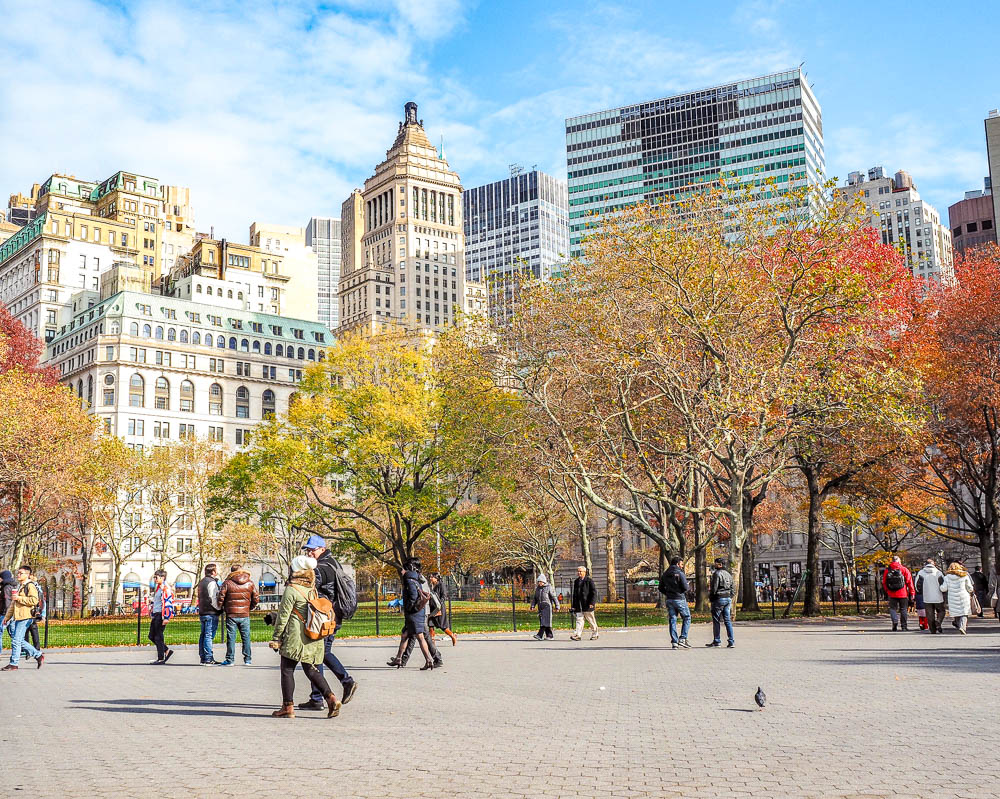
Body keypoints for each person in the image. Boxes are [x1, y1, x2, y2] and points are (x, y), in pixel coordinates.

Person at [268, 555, 341, 719]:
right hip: (312, 634)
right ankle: (331, 698)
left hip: (295, 636)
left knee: (287, 670)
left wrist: (277, 637)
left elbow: (283, 616)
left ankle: (288, 707)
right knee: (310, 669)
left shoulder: (292, 589)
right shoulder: (312, 589)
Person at [298, 536, 357, 710]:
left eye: (312, 549)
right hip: (330, 616)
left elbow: (307, 584)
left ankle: (344, 682)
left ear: (322, 549)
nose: (309, 552)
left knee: (318, 654)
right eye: (307, 550)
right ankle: (318, 697)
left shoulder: (322, 568)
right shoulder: (332, 563)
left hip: (324, 618)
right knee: (320, 654)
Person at [388, 558, 436, 670]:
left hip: (414, 613)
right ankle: (398, 658)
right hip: (417, 612)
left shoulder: (410, 580)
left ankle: (429, 660)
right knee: (405, 635)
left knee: (420, 637)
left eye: (404, 569)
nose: (402, 571)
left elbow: (413, 597)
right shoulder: (415, 579)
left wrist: (408, 608)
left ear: (408, 569)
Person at [2, 566, 44, 670]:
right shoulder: (21, 586)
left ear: (27, 575)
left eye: (21, 573)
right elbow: (13, 604)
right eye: (18, 573)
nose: (18, 575)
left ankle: (14, 663)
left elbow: (34, 600)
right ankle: (38, 655)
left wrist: (19, 598)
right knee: (18, 640)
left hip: (26, 616)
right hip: (19, 616)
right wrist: (7, 617)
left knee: (16, 640)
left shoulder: (30, 586)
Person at [218, 563, 259, 666]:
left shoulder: (227, 583)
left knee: (231, 637)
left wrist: (222, 607)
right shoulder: (250, 582)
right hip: (245, 614)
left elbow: (221, 598)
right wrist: (250, 607)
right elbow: (256, 598)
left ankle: (230, 659)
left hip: (231, 614)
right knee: (246, 637)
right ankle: (248, 659)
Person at [658, 556, 691, 650]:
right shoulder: (680, 573)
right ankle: (683, 638)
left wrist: (668, 593)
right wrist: (681, 591)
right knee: (687, 617)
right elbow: (685, 587)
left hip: (669, 599)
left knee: (672, 620)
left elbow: (660, 588)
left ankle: (674, 642)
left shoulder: (665, 574)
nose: (682, 566)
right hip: (679, 598)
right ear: (677, 564)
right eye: (681, 564)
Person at [196, 564, 222, 665]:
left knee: (203, 635)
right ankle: (208, 657)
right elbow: (213, 598)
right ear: (213, 572)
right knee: (209, 635)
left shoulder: (202, 582)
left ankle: (203, 656)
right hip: (211, 612)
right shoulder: (212, 582)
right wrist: (219, 608)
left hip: (203, 611)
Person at [881, 556, 915, 631]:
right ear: (899, 561)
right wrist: (912, 593)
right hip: (903, 593)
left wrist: (887, 590)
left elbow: (884, 582)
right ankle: (904, 626)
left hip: (891, 593)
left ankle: (895, 621)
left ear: (892, 561)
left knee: (893, 608)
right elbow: (910, 582)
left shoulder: (887, 570)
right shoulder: (904, 569)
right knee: (903, 609)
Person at [148, 569, 175, 664]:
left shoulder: (165, 588)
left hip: (161, 615)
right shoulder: (158, 588)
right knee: (151, 636)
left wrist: (167, 617)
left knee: (158, 637)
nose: (155, 579)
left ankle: (161, 658)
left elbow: (168, 602)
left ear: (162, 578)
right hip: (156, 614)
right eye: (154, 577)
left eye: (156, 577)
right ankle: (166, 651)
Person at [707, 557, 734, 648]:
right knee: (727, 620)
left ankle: (717, 640)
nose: (714, 565)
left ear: (720, 564)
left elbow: (714, 588)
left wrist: (711, 597)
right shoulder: (728, 574)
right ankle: (731, 641)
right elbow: (732, 587)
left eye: (716, 563)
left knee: (716, 620)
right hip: (727, 598)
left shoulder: (716, 574)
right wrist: (730, 596)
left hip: (719, 598)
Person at [942, 561, 975, 634]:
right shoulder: (964, 575)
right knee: (964, 612)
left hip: (952, 597)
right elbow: (969, 587)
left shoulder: (947, 577)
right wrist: (971, 590)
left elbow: (944, 588)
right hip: (964, 596)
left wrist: (940, 587)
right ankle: (962, 627)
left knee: (956, 612)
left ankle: (958, 624)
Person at [915, 558, 946, 634]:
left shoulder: (921, 573)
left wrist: (922, 592)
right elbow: (943, 585)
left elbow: (917, 585)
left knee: (929, 614)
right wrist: (943, 592)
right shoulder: (938, 573)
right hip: (938, 596)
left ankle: (933, 630)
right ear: (934, 564)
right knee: (941, 611)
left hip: (927, 597)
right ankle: (938, 621)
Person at [427, 573, 457, 646]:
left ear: (436, 578)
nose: (430, 578)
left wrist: (439, 604)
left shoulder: (441, 585)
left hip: (439, 608)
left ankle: (452, 636)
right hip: (432, 608)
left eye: (431, 577)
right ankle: (432, 643)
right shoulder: (432, 585)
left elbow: (444, 596)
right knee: (430, 624)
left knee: (442, 626)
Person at [570, 566, 598, 641]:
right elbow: (575, 594)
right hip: (579, 605)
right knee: (579, 620)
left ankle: (595, 634)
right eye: (578, 571)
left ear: (584, 572)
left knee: (591, 620)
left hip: (587, 604)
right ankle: (578, 635)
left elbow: (594, 592)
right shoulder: (576, 581)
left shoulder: (589, 581)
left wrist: (592, 602)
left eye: (580, 571)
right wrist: (574, 605)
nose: (579, 573)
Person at [530, 574, 559, 640]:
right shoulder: (537, 589)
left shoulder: (549, 587)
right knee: (545, 622)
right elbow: (535, 598)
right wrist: (532, 605)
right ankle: (550, 635)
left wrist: (557, 606)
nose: (539, 583)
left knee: (544, 621)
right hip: (540, 607)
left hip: (547, 606)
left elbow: (554, 597)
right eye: (538, 581)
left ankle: (539, 635)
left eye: (540, 581)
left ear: (544, 581)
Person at [0, 570, 14, 654]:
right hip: (9, 613)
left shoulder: (6, 587)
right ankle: (30, 651)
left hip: (5, 614)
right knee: (14, 635)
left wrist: (6, 615)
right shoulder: (9, 586)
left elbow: (7, 601)